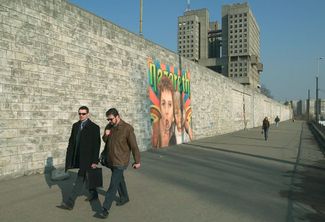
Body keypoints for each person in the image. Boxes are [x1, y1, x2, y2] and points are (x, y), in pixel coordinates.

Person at [99, 108, 141, 219]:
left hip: (121, 161)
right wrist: (106, 135)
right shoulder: (109, 127)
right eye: (108, 119)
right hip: (111, 159)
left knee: (113, 184)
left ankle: (105, 209)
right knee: (119, 180)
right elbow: (105, 140)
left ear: (117, 116)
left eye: (111, 119)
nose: (109, 121)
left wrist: (137, 161)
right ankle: (124, 197)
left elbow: (134, 146)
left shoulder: (127, 128)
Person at [58, 106, 101, 210]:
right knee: (88, 177)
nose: (81, 115)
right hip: (77, 157)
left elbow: (97, 145)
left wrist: (95, 161)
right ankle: (94, 194)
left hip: (88, 158)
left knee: (80, 179)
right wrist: (69, 155)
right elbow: (72, 141)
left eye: (83, 113)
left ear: (88, 114)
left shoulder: (94, 127)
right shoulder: (75, 125)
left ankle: (69, 203)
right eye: (80, 113)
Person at [152, 75, 176, 148]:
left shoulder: (174, 137)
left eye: (169, 104)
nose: (166, 111)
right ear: (159, 107)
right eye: (163, 104)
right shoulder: (154, 135)